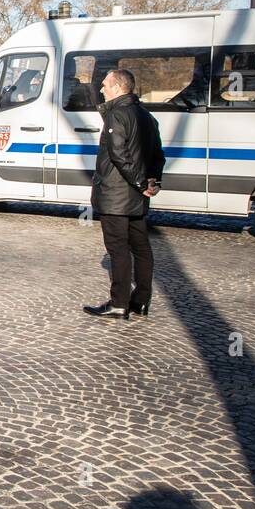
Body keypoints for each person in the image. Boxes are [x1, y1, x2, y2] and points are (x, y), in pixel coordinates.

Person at [84, 68, 165, 320]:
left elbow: (119, 156)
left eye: (105, 85)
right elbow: (157, 155)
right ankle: (141, 301)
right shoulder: (147, 116)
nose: (101, 89)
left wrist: (142, 183)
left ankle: (119, 303)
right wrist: (153, 181)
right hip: (136, 196)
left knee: (118, 249)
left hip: (116, 195)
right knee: (141, 248)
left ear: (118, 87)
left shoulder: (117, 116)